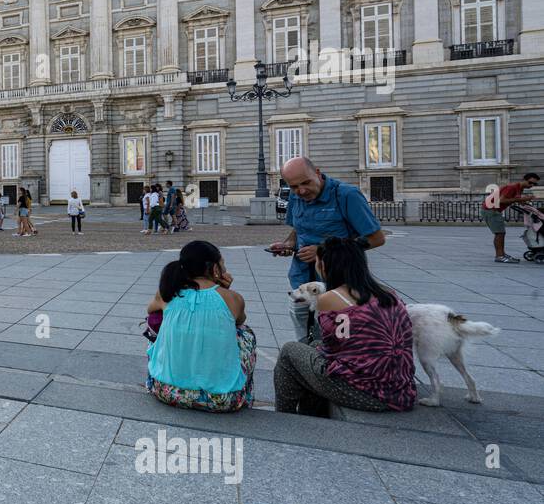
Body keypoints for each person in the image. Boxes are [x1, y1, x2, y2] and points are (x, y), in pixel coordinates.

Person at [274, 237, 415, 415]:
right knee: (311, 347)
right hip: (400, 389)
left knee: (289, 351)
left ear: (325, 265)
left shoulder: (331, 299)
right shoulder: (388, 294)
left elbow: (332, 349)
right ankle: (311, 414)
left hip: (365, 392)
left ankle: (284, 416)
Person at [270, 156, 385, 340]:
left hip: (339, 284)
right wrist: (289, 244)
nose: (301, 190)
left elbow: (377, 238)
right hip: (301, 282)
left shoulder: (347, 195)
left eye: (306, 183)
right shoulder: (295, 196)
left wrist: (323, 251)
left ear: (317, 173)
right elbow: (297, 229)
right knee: (303, 335)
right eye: (294, 187)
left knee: (336, 339)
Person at [144, 240, 256, 412]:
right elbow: (239, 320)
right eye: (222, 264)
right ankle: (244, 395)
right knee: (245, 334)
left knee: (157, 320)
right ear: (215, 269)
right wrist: (224, 290)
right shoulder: (233, 298)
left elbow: (151, 311)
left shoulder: (168, 293)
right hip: (222, 399)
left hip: (166, 391)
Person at [481, 171, 539, 263]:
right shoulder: (512, 187)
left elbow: (515, 199)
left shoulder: (519, 188)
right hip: (491, 210)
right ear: (524, 180)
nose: (531, 185)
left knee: (501, 233)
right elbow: (501, 200)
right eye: (530, 182)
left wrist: (524, 202)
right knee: (499, 233)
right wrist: (521, 199)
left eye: (534, 184)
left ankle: (502, 254)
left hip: (493, 210)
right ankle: (500, 256)